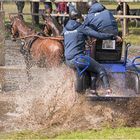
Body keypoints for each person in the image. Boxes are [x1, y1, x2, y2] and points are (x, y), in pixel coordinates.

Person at [63, 10, 122, 95]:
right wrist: (113, 37)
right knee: (100, 69)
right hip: (79, 59)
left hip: (68, 61)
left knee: (91, 68)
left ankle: (92, 89)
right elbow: (98, 35)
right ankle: (108, 91)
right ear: (77, 19)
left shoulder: (65, 29)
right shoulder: (80, 28)